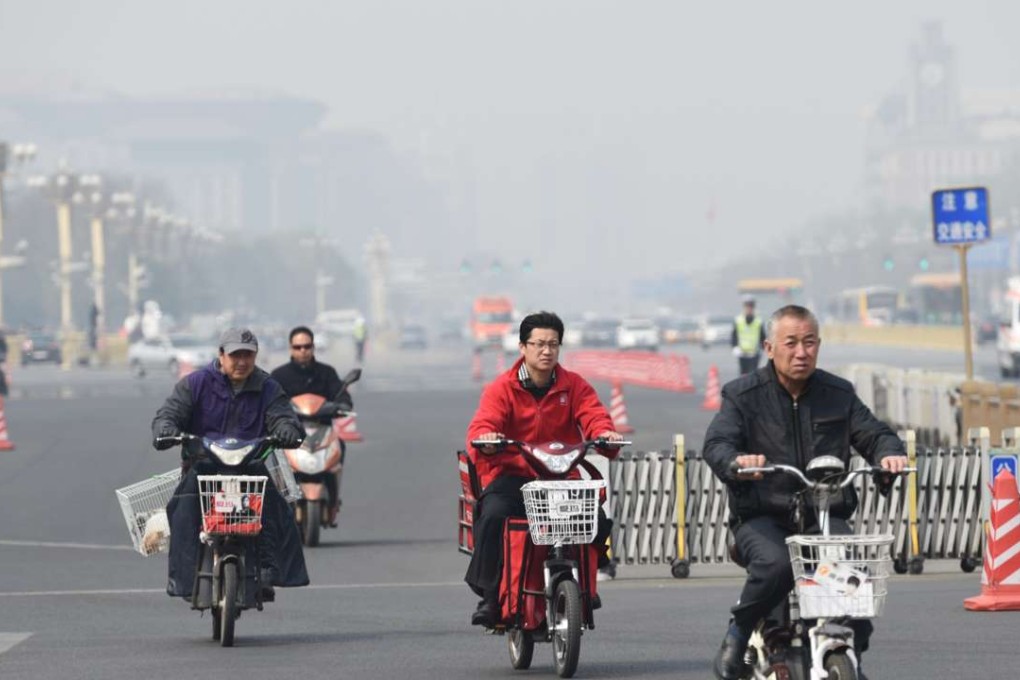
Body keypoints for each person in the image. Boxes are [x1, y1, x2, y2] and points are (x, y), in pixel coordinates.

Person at [704, 305, 908, 680]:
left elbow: (875, 433)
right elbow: (717, 443)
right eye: (792, 343)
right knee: (778, 564)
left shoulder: (838, 393)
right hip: (762, 515)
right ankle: (737, 634)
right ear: (768, 347)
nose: (802, 352)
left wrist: (890, 455)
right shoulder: (742, 395)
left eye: (810, 342)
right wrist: (737, 462)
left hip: (826, 514)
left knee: (852, 575)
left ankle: (849, 653)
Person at [464, 311, 624, 627]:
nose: (546, 351)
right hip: (514, 477)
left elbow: (594, 417)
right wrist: (488, 439)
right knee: (494, 514)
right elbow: (483, 424)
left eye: (553, 344)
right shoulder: (502, 388)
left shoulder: (574, 386)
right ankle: (490, 596)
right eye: (538, 344)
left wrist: (604, 434)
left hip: (563, 477)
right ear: (523, 347)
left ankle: (586, 585)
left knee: (598, 518)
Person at [151, 327, 310, 601]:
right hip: (204, 467)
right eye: (235, 355)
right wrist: (165, 428)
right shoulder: (196, 383)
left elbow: (284, 415)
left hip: (251, 466)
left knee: (278, 507)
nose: (242, 361)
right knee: (181, 507)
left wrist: (287, 428)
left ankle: (270, 572)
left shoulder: (268, 387)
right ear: (221, 355)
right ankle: (184, 581)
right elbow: (170, 413)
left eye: (248, 355)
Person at [271, 325, 353, 525]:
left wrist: (342, 404)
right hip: (289, 434)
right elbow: (268, 400)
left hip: (322, 429)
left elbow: (341, 394)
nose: (303, 351)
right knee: (271, 454)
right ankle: (279, 503)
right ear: (291, 348)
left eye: (307, 346)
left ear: (313, 347)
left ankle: (333, 501)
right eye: (298, 347)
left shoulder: (326, 373)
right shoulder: (279, 376)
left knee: (340, 446)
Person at [731, 296, 766, 375]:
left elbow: (762, 337)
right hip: (742, 353)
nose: (749, 309)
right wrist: (735, 347)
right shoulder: (738, 320)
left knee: (753, 375)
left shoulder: (758, 321)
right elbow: (734, 336)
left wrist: (762, 348)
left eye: (751, 307)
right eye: (747, 307)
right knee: (743, 375)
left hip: (754, 354)